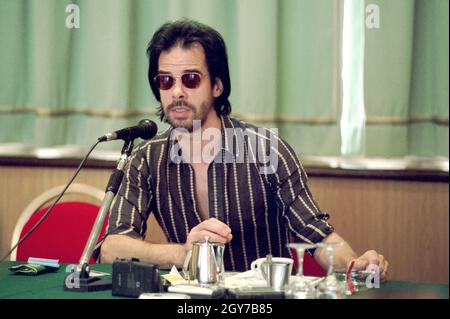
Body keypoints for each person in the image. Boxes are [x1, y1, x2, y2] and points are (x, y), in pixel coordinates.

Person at [98, 19, 388, 280]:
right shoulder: (146, 158)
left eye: (190, 79)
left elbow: (318, 237)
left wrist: (354, 265)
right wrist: (184, 253)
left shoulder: (267, 150)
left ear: (217, 86)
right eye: (165, 80)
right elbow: (112, 249)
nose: (176, 92)